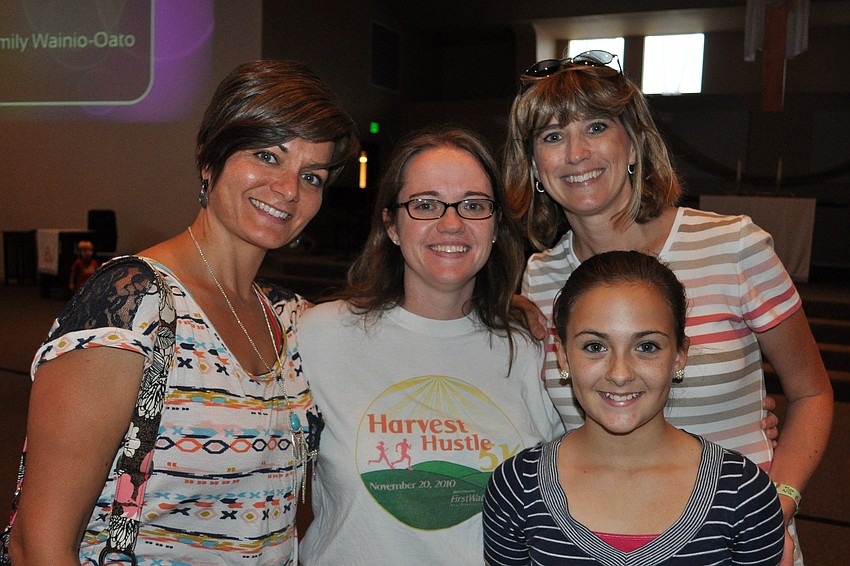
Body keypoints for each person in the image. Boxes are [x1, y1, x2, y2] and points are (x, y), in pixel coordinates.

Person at [9, 59, 358, 565]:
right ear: (208, 159)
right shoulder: (134, 303)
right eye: (267, 155)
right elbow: (38, 543)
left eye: (313, 176)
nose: (289, 190)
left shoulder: (291, 317)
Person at [503, 49, 833, 564]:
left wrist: (778, 503)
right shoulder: (542, 276)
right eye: (551, 136)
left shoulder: (733, 246)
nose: (575, 153)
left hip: (736, 539)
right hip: (600, 539)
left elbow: (811, 391)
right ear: (535, 168)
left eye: (595, 128)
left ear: (632, 143)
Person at [296, 124, 565, 565]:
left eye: (474, 205)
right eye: (425, 205)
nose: (452, 223)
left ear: (496, 226)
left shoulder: (532, 349)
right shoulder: (318, 335)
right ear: (392, 226)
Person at [483, 250, 786, 565]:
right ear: (562, 355)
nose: (620, 373)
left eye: (647, 346)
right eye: (595, 346)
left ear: (680, 355)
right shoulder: (517, 487)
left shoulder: (742, 494)